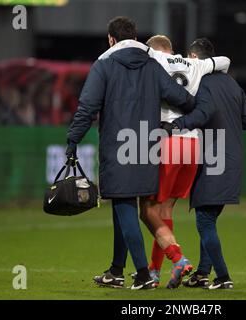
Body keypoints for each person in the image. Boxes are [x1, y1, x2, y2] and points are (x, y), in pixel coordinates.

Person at [66, 17, 194, 290]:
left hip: (117, 146)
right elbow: (179, 96)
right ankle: (116, 270)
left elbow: (87, 106)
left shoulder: (104, 65)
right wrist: (196, 106)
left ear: (111, 39)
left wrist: (72, 139)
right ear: (135, 37)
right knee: (123, 205)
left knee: (124, 205)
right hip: (147, 146)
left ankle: (144, 274)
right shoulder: (151, 65)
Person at [98, 35, 231, 288]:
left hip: (167, 140)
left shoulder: (154, 59)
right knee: (166, 210)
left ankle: (178, 259)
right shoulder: (196, 65)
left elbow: (126, 52)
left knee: (147, 210)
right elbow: (225, 61)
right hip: (193, 145)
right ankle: (155, 271)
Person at [169, 38, 246, 289]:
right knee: (209, 220)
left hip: (213, 159)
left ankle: (223, 277)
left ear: (194, 58)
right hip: (234, 159)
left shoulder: (202, 83)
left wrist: (178, 125)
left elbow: (203, 113)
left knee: (204, 221)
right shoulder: (233, 84)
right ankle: (202, 274)